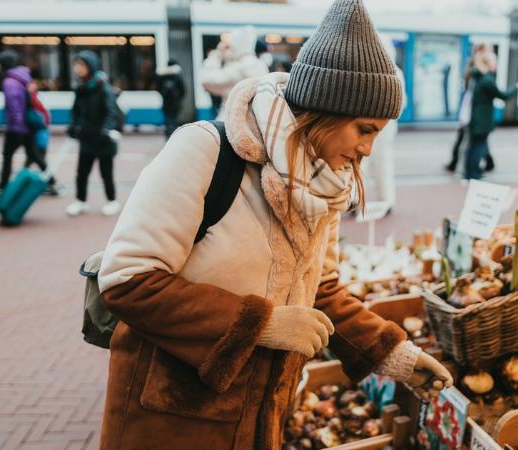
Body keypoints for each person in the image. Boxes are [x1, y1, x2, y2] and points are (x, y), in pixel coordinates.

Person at [96, 1, 452, 448]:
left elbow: (320, 292)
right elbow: (128, 280)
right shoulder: (205, 151)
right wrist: (261, 325)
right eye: (365, 129)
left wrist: (393, 354)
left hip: (259, 417)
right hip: (172, 419)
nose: (368, 150)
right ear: (326, 108)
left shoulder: (325, 184)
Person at [0, 50, 58, 195]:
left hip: (17, 127)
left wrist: (16, 127)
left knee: (7, 155)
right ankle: (53, 182)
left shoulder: (9, 82)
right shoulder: (23, 77)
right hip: (28, 125)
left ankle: (2, 186)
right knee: (35, 154)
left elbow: (14, 107)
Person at [65, 51, 121, 217]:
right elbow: (75, 111)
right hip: (87, 137)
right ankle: (80, 201)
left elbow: (112, 112)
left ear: (90, 66)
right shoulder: (80, 88)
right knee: (82, 173)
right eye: (77, 64)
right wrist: (72, 126)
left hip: (104, 138)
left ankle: (112, 201)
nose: (77, 68)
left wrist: (106, 129)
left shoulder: (104, 87)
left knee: (106, 173)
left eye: (81, 64)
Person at [362, 34, 405, 214]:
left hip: (368, 125)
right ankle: (386, 201)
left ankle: (358, 201)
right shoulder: (397, 72)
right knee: (383, 163)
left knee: (361, 164)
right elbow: (402, 103)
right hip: (386, 125)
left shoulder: (368, 70)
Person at [464, 51, 517, 180]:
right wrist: (515, 88)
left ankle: (471, 173)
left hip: (475, 117)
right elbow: (502, 95)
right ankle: (473, 175)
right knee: (478, 147)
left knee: (473, 146)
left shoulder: (476, 77)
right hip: (482, 119)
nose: (496, 65)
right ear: (489, 64)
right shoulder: (487, 79)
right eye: (495, 62)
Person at [199, 25, 269, 119]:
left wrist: (216, 55)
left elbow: (206, 80)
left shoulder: (238, 69)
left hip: (230, 121)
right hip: (254, 121)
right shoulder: (260, 65)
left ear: (236, 45)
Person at [446, 44, 494, 173]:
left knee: (476, 139)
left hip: (474, 109)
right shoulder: (477, 67)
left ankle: (485, 163)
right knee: (472, 138)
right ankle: (474, 165)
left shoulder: (480, 68)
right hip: (471, 108)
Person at [156, 59, 185, 140]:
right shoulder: (177, 76)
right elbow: (183, 90)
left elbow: (158, 88)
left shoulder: (162, 76)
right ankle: (174, 134)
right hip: (175, 102)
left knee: (167, 119)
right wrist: (179, 99)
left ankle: (168, 133)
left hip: (166, 103)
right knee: (174, 119)